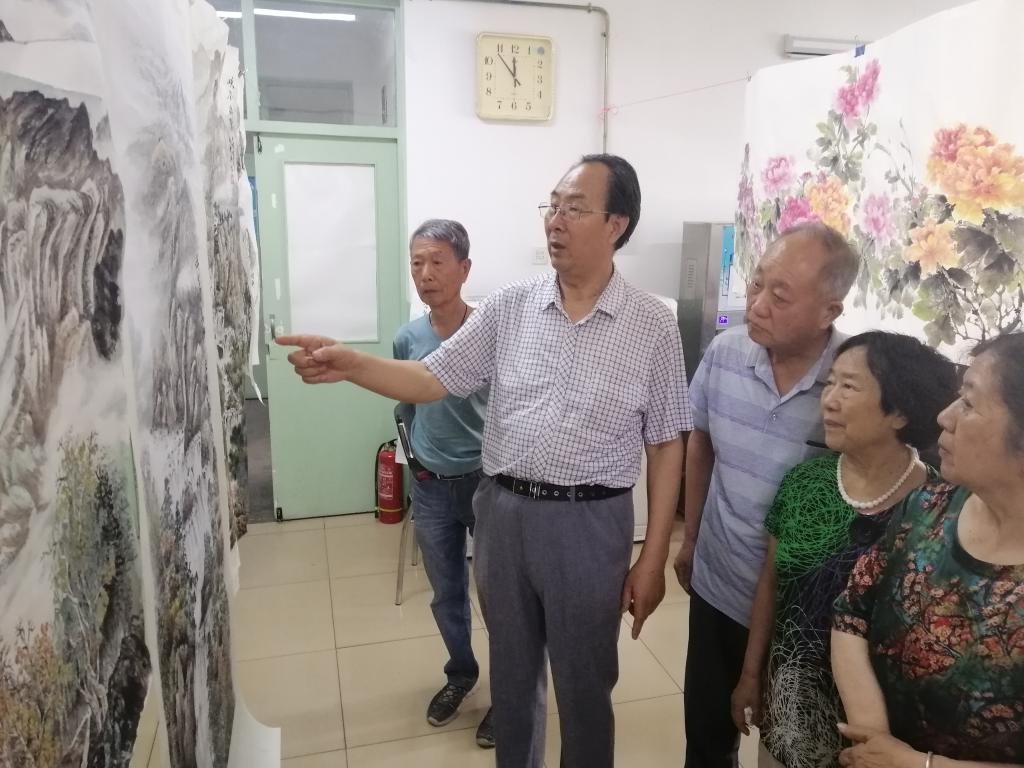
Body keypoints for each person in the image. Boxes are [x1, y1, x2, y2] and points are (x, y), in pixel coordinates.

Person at [277, 154, 691, 768]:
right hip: (502, 515)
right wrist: (353, 365)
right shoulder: (510, 306)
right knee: (514, 680)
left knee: (584, 686)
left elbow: (666, 441)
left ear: (616, 225)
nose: (555, 221)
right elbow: (432, 377)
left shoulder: (652, 324)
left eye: (575, 209)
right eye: (552, 206)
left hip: (590, 524)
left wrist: (653, 557)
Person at [673, 222, 862, 768]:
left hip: (802, 607)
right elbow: (700, 441)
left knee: (791, 745)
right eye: (757, 283)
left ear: (829, 311)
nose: (756, 305)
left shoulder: (851, 382)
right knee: (707, 733)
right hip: (718, 578)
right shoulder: (726, 352)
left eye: (780, 295)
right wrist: (691, 537)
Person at [729, 331, 958, 768]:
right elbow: (771, 584)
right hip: (791, 712)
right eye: (829, 382)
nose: (828, 400)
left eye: (849, 386)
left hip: (890, 741)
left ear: (900, 410)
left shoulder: (939, 508)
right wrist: (750, 674)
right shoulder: (804, 483)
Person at [832, 333, 1024, 766]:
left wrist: (917, 765)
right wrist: (874, 740)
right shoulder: (928, 506)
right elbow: (852, 610)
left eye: (969, 403)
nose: (944, 416)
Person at [392, 219, 493, 747]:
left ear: (464, 268)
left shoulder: (489, 332)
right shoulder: (408, 337)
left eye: (436, 262)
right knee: (446, 592)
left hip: (486, 483)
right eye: (417, 263)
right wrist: (415, 462)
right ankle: (461, 673)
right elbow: (406, 405)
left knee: (500, 596)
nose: (425, 274)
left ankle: (511, 692)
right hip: (431, 485)